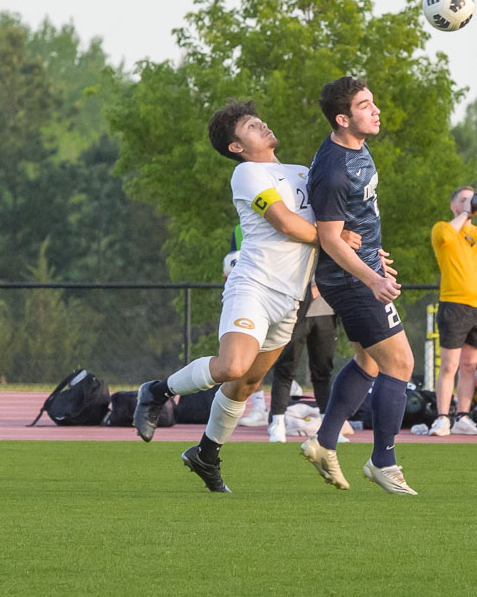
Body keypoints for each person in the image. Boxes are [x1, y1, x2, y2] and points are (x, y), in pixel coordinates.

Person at [131, 101, 359, 493]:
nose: (263, 125)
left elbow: (335, 219)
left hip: (290, 299)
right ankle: (156, 391)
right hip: (252, 286)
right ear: (237, 147)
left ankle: (206, 454)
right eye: (252, 126)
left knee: (249, 384)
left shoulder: (303, 172)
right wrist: (333, 240)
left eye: (260, 121)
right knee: (232, 366)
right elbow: (286, 224)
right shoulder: (247, 173)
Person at [299, 76, 418, 496]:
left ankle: (323, 441)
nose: (376, 110)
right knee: (400, 364)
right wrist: (372, 278)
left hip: (360, 270)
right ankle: (382, 461)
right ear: (342, 119)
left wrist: (374, 254)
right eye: (365, 105)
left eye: (373, 102)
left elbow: (356, 222)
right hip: (349, 281)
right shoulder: (333, 170)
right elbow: (330, 237)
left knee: (370, 362)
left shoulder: (359, 147)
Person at [429, 185, 477, 436]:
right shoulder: (443, 228)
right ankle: (443, 416)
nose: (471, 203)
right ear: (454, 205)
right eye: (464, 200)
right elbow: (444, 239)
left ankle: (463, 416)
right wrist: (464, 213)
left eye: (472, 199)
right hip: (453, 306)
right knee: (450, 366)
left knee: (469, 367)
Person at [267, 280, 340, 443]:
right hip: (295, 307)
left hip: (325, 310)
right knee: (285, 367)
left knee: (323, 371)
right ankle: (277, 423)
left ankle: (329, 428)